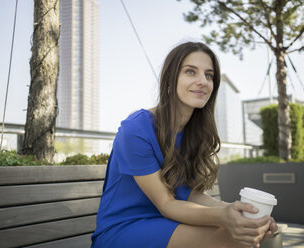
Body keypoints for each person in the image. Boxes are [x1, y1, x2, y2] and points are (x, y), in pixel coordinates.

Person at [91, 41, 277, 248]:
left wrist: (240, 213)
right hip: (124, 229)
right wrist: (224, 217)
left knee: (251, 233)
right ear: (170, 81)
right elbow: (167, 204)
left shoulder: (193, 133)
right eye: (190, 72)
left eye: (208, 75)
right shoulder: (136, 129)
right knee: (233, 238)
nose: (203, 81)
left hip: (170, 222)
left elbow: (191, 194)